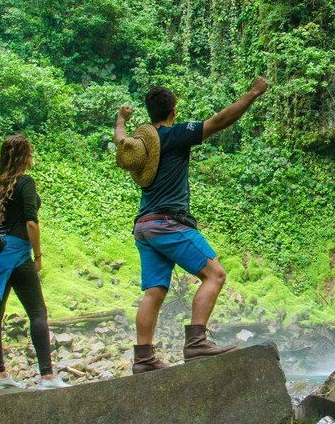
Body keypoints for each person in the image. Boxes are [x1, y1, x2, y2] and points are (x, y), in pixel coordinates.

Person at [115, 77, 269, 373]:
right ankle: (196, 341)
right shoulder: (175, 135)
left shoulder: (141, 146)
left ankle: (144, 359)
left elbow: (122, 143)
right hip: (168, 222)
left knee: (154, 292)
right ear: (173, 111)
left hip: (144, 226)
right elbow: (220, 120)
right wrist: (252, 93)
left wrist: (121, 119)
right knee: (215, 275)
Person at [0, 134, 70, 390]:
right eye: (30, 152)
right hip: (18, 255)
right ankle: (47, 377)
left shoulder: (0, 184)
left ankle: (0, 376)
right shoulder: (25, 182)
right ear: (25, 156)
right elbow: (31, 222)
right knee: (37, 312)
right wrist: (38, 256)